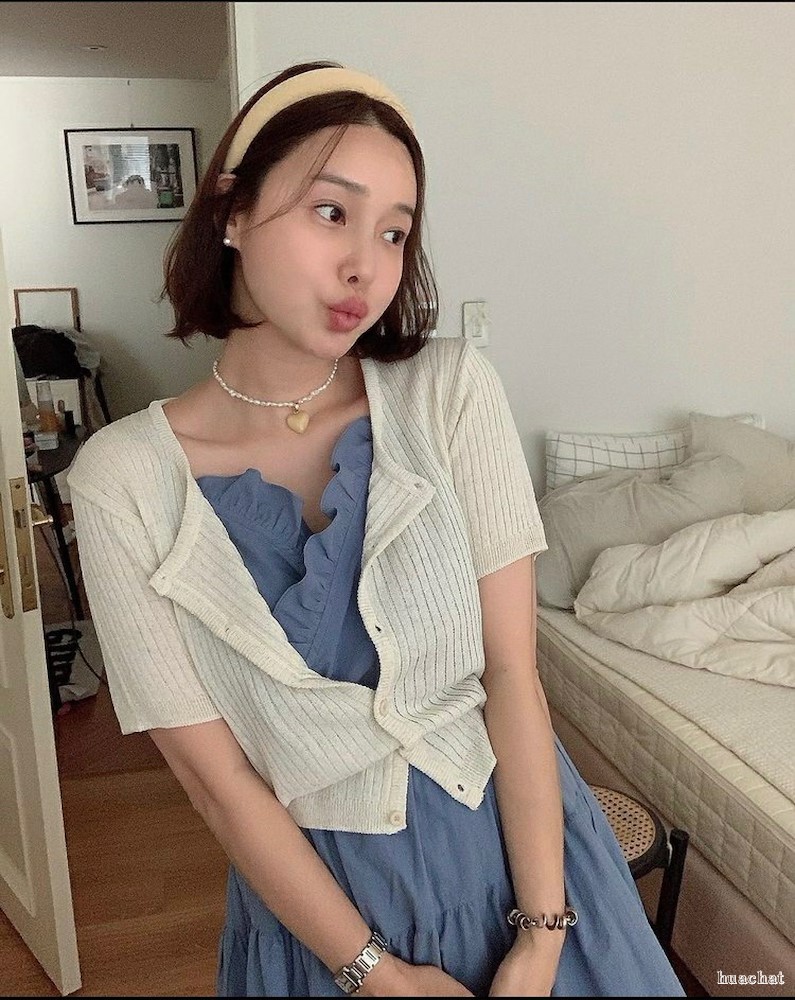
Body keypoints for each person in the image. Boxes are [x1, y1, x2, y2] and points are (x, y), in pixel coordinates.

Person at [67, 61, 686, 998]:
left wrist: (542, 936)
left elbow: (512, 673)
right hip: (322, 920)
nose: (367, 264)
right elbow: (217, 783)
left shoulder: (448, 391)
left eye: (394, 232)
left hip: (525, 873)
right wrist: (375, 975)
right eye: (331, 212)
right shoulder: (122, 479)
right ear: (231, 212)